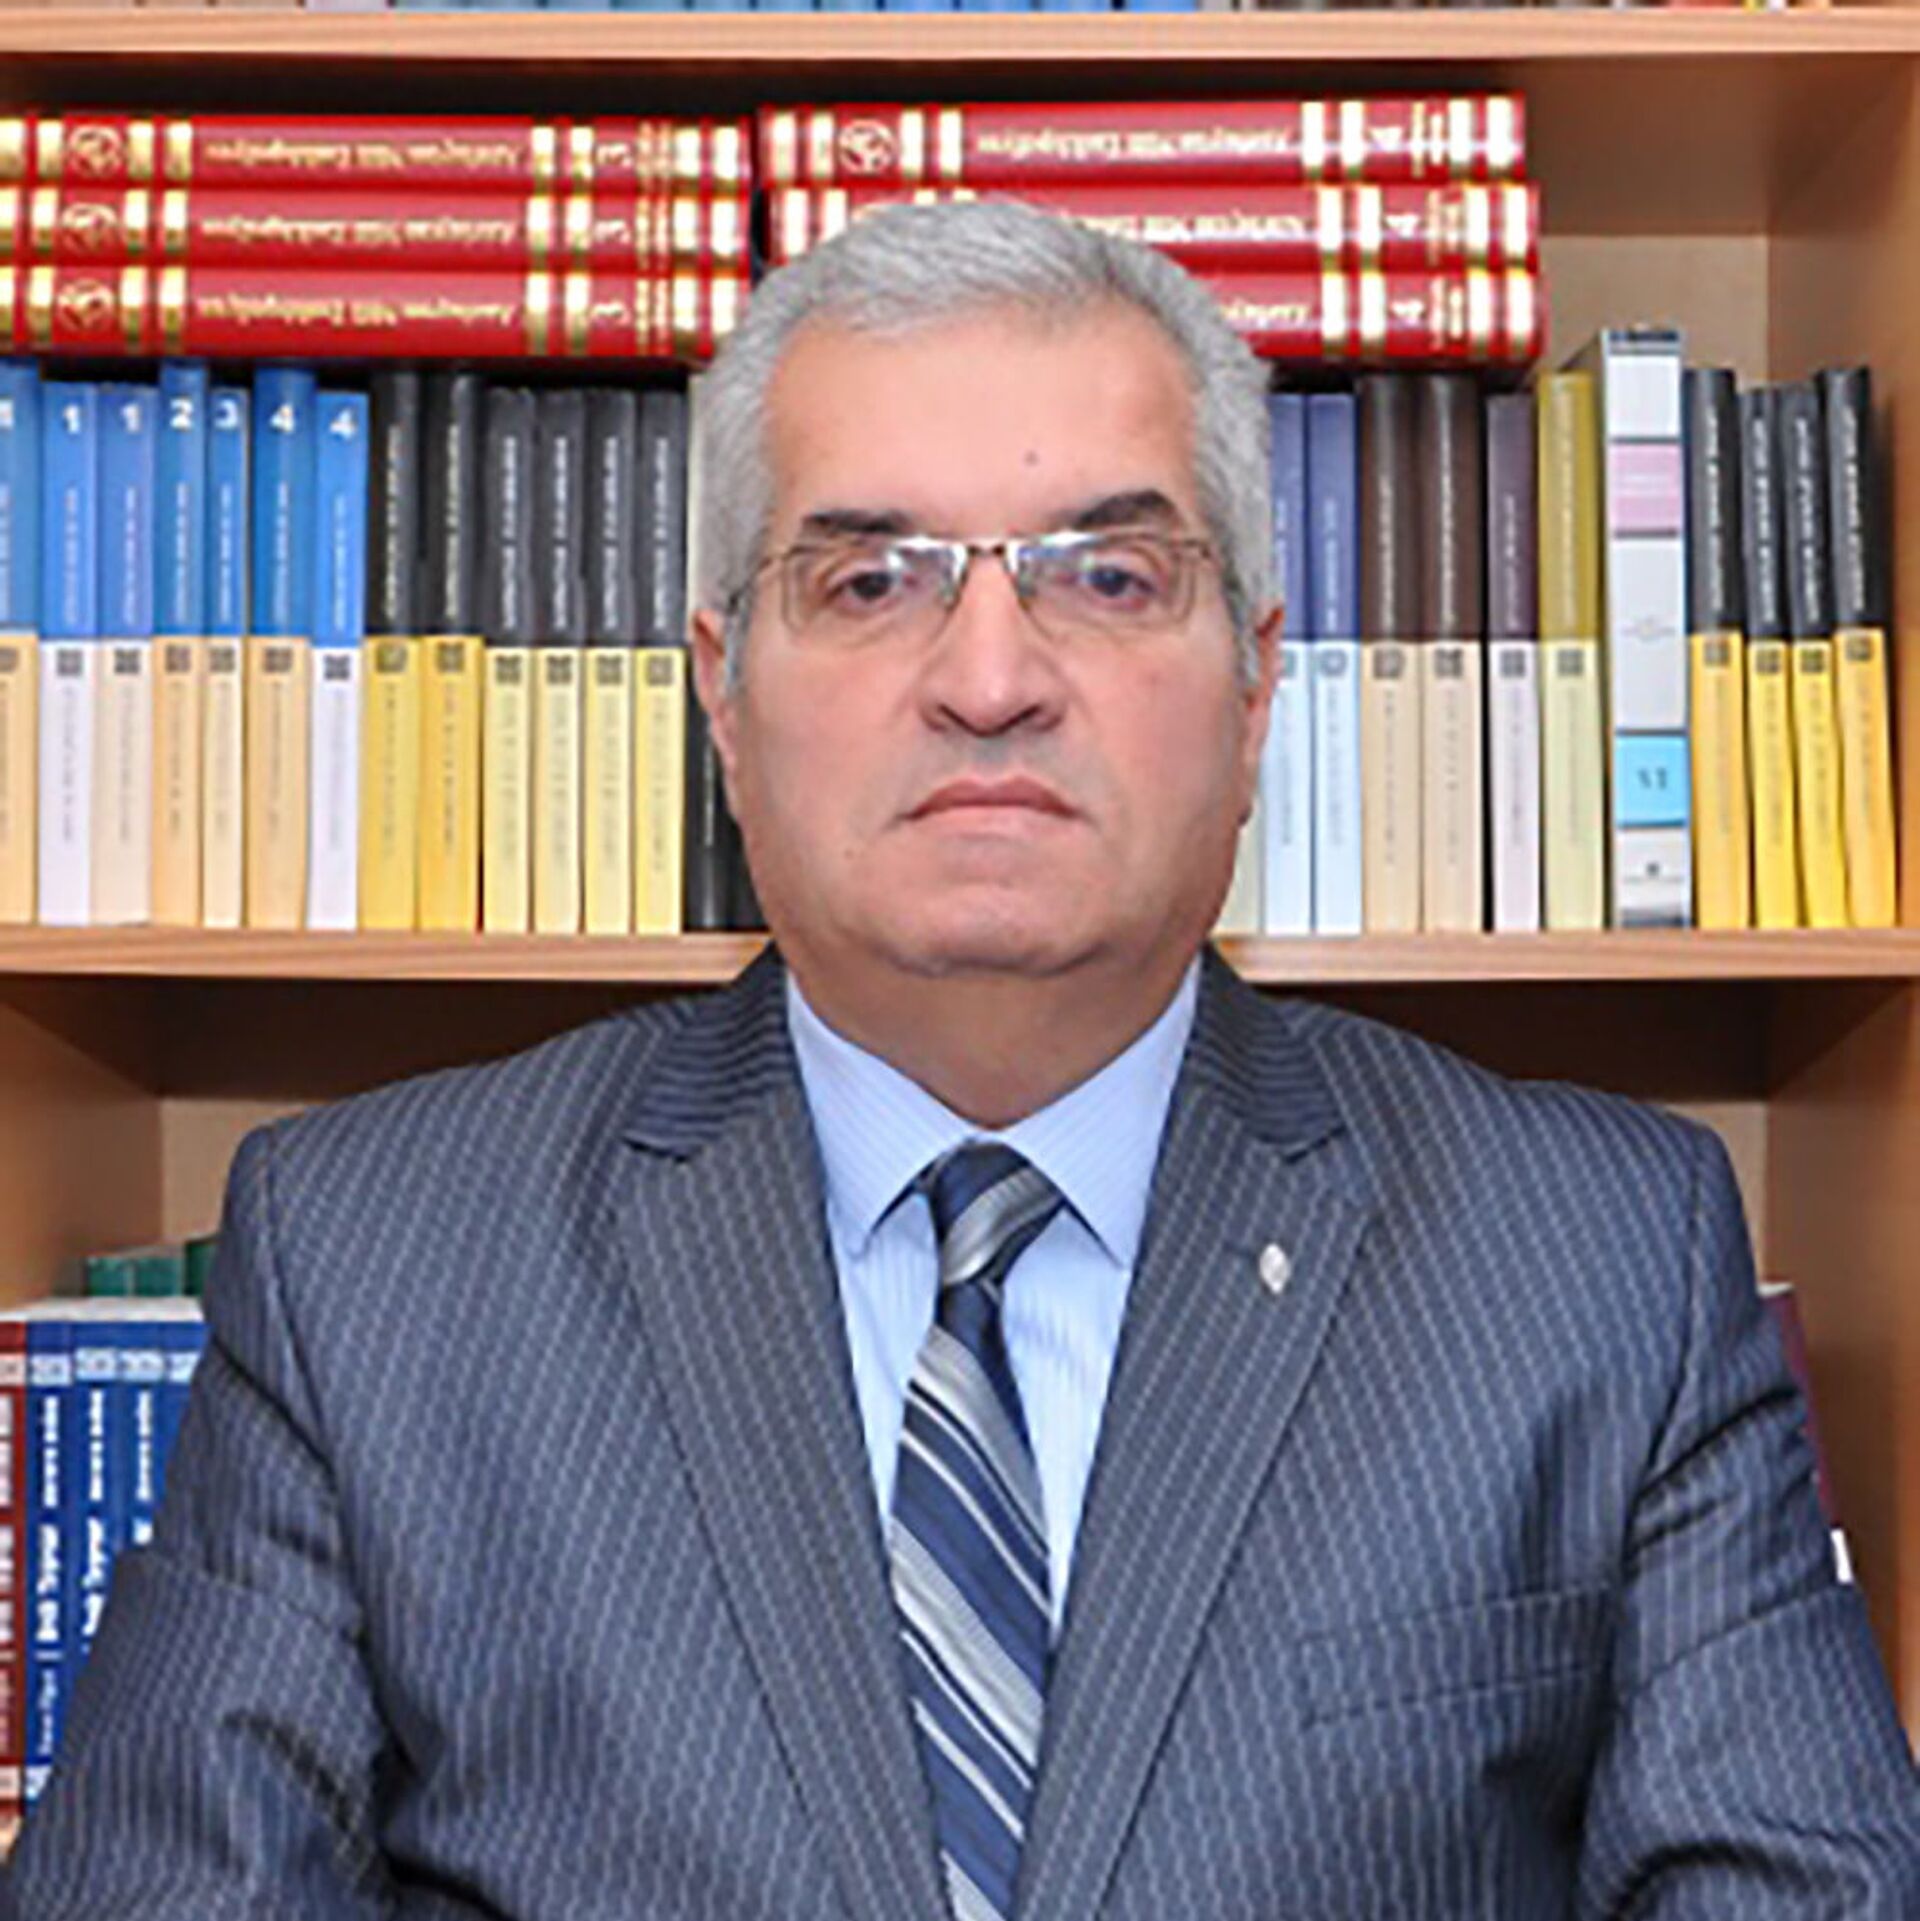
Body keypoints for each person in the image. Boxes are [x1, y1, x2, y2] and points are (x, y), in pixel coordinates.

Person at [4, 199, 1915, 1921]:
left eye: (1109, 575)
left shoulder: (1599, 1260)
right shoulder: (371, 1260)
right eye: (869, 579)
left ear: (1258, 685)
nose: (991, 678)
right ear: (721, 693)